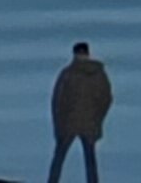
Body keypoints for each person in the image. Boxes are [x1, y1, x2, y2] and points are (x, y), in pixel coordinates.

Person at [47, 45, 110, 183]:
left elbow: (57, 101)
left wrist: (58, 124)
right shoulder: (98, 74)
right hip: (89, 123)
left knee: (59, 158)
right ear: (88, 54)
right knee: (90, 159)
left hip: (69, 123)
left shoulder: (67, 74)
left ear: (74, 54)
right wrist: (98, 119)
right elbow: (106, 99)